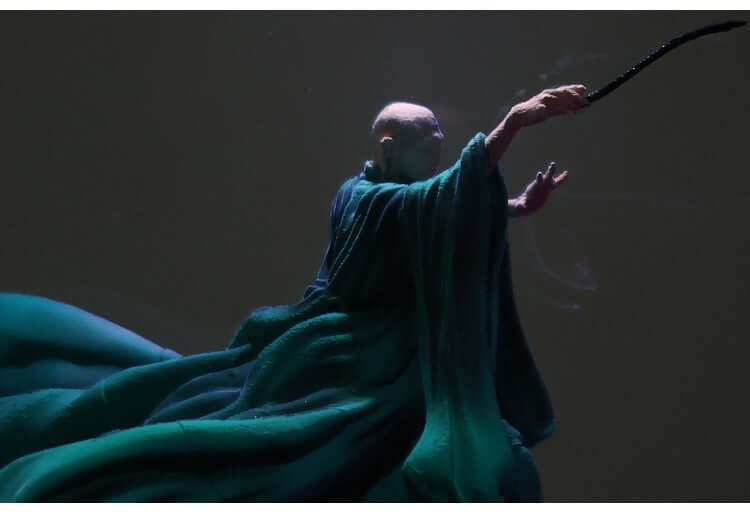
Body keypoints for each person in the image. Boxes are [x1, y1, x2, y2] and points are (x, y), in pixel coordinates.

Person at [0, 85, 588, 502]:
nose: (437, 153)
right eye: (426, 144)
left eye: (440, 144)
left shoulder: (405, 198)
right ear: (388, 149)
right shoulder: (364, 197)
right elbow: (431, 205)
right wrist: (514, 122)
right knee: (299, 430)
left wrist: (515, 206)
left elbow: (444, 211)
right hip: (345, 343)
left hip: (398, 344)